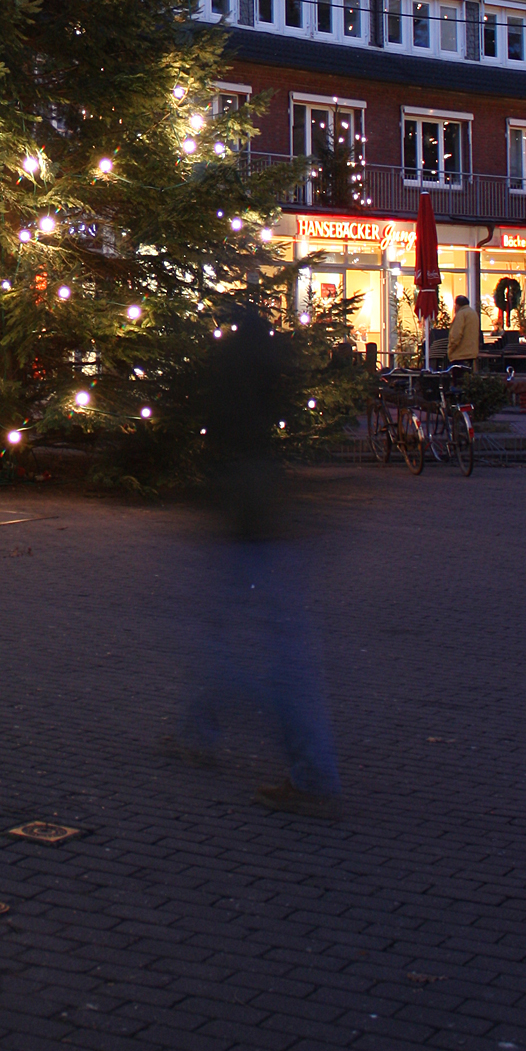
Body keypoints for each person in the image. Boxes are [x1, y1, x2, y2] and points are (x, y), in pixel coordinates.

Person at [171, 307, 343, 820]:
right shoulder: (271, 363)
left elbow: (216, 425)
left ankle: (311, 771)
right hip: (264, 505)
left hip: (243, 510)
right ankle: (199, 730)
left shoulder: (227, 370)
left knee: (246, 644)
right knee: (239, 633)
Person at [447, 293, 480, 372]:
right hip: (472, 354)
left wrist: (450, 350)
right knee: (467, 381)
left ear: (457, 305)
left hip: (460, 355)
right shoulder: (473, 313)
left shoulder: (461, 314)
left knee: (458, 381)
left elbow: (456, 335)